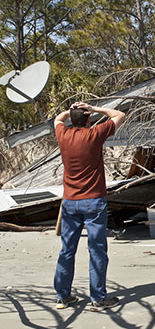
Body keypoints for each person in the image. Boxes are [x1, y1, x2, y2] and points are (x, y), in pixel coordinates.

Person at [53, 101, 125, 310]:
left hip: (70, 202)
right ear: (88, 119)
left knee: (67, 250)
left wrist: (72, 111)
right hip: (94, 201)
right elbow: (119, 114)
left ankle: (63, 296)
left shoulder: (63, 135)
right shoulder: (94, 135)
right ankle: (98, 298)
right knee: (97, 251)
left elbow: (58, 119)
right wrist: (95, 109)